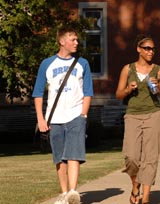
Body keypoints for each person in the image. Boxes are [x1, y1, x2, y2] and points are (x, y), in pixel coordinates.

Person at [32, 26, 93, 204]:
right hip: (54, 118)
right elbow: (37, 93)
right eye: (72, 39)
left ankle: (73, 193)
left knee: (74, 154)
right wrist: (40, 119)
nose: (76, 43)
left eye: (76, 39)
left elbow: (88, 92)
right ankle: (64, 193)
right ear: (62, 41)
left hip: (76, 115)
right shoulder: (47, 64)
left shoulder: (83, 64)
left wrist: (83, 115)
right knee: (60, 158)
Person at [116, 34, 160, 204]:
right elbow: (118, 94)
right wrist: (127, 89)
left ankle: (145, 197)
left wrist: (159, 86)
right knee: (131, 157)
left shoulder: (158, 70)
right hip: (132, 115)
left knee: (150, 158)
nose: (150, 52)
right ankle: (135, 186)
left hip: (153, 115)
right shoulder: (128, 69)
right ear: (139, 49)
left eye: (153, 49)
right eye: (147, 48)